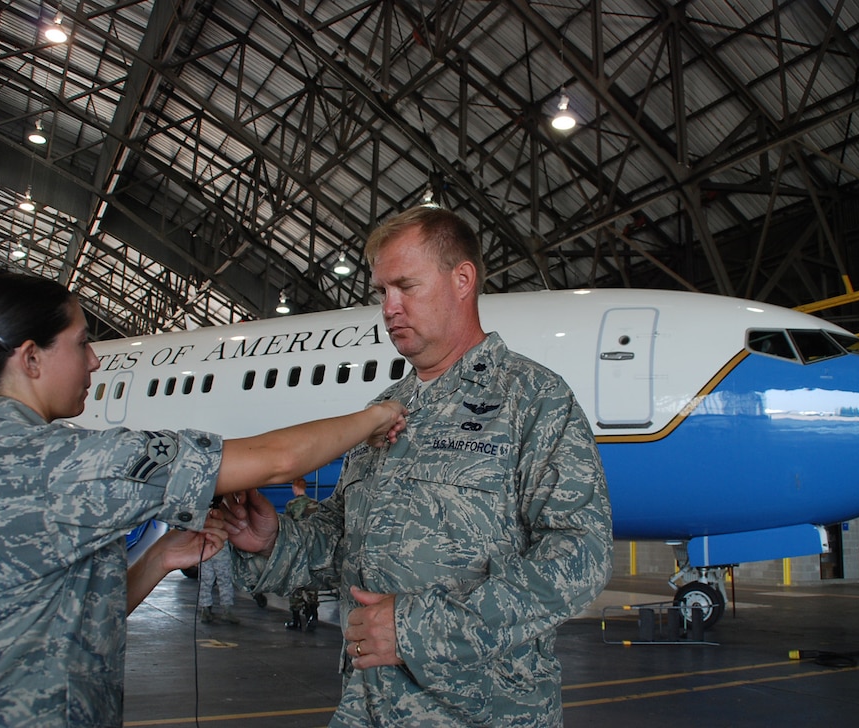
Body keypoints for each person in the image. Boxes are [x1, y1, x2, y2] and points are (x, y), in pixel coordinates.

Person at [0, 273, 406, 728]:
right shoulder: (61, 462)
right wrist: (376, 417)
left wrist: (159, 560)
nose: (96, 360)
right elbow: (275, 459)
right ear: (31, 359)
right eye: (82, 344)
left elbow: (59, 619)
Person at [224, 206, 613, 726]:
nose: (389, 307)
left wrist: (418, 631)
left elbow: (580, 555)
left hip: (482, 713)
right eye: (381, 292)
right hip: (368, 708)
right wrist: (276, 541)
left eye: (405, 286)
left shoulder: (533, 398)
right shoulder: (386, 407)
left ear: (462, 279)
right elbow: (343, 539)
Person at [282, 477, 321, 631]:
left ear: (294, 488)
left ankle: (296, 619)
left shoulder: (291, 505)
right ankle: (313, 614)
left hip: (297, 548)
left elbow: (287, 527)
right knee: (311, 579)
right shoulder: (315, 504)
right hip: (312, 547)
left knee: (294, 581)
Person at [198, 543, 240, 624]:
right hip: (220, 551)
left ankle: (205, 610)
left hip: (205, 551)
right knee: (225, 581)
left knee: (205, 582)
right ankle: (226, 611)